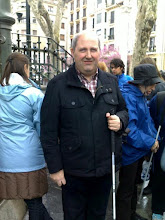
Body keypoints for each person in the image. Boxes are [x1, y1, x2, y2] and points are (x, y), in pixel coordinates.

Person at [40, 31, 128, 220]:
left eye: (93, 50)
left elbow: (124, 111)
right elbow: (47, 132)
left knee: (97, 216)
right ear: (73, 51)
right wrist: (55, 169)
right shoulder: (57, 85)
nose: (88, 55)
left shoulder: (111, 81)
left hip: (104, 171)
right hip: (73, 174)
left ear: (99, 53)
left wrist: (120, 120)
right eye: (83, 50)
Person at [0, 52, 53, 220]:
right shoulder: (33, 94)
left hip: (5, 156)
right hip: (29, 156)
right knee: (34, 201)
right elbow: (41, 125)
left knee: (28, 200)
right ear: (25, 68)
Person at [116, 64, 162, 220]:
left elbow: (147, 121)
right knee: (126, 189)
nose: (154, 88)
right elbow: (130, 130)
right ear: (144, 82)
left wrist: (155, 139)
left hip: (138, 150)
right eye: (153, 84)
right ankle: (124, 216)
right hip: (130, 152)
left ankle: (131, 213)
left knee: (134, 186)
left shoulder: (140, 95)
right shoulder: (129, 96)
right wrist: (150, 142)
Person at [149, 92, 165, 220]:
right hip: (162, 145)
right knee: (160, 177)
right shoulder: (160, 98)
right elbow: (150, 121)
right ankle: (158, 210)